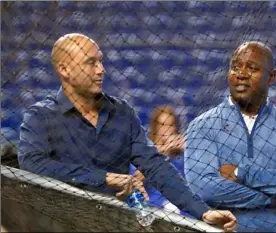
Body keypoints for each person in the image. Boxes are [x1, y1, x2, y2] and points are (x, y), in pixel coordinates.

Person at [17, 33, 237, 232]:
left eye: (100, 60)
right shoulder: (39, 116)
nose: (101, 69)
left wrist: (203, 211)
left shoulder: (121, 113)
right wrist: (105, 178)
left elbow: (156, 166)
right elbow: (33, 166)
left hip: (113, 225)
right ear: (64, 70)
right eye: (90, 63)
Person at [184, 41, 276, 232]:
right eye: (235, 67)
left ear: (271, 77)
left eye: (252, 68)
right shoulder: (202, 125)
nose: (241, 74)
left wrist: (241, 173)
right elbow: (204, 189)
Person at [131, 105, 188, 216]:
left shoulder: (181, 157)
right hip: (152, 208)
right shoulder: (143, 150)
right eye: (163, 125)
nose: (167, 129)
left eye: (171, 125)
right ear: (155, 128)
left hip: (182, 211)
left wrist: (191, 149)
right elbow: (135, 179)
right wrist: (164, 150)